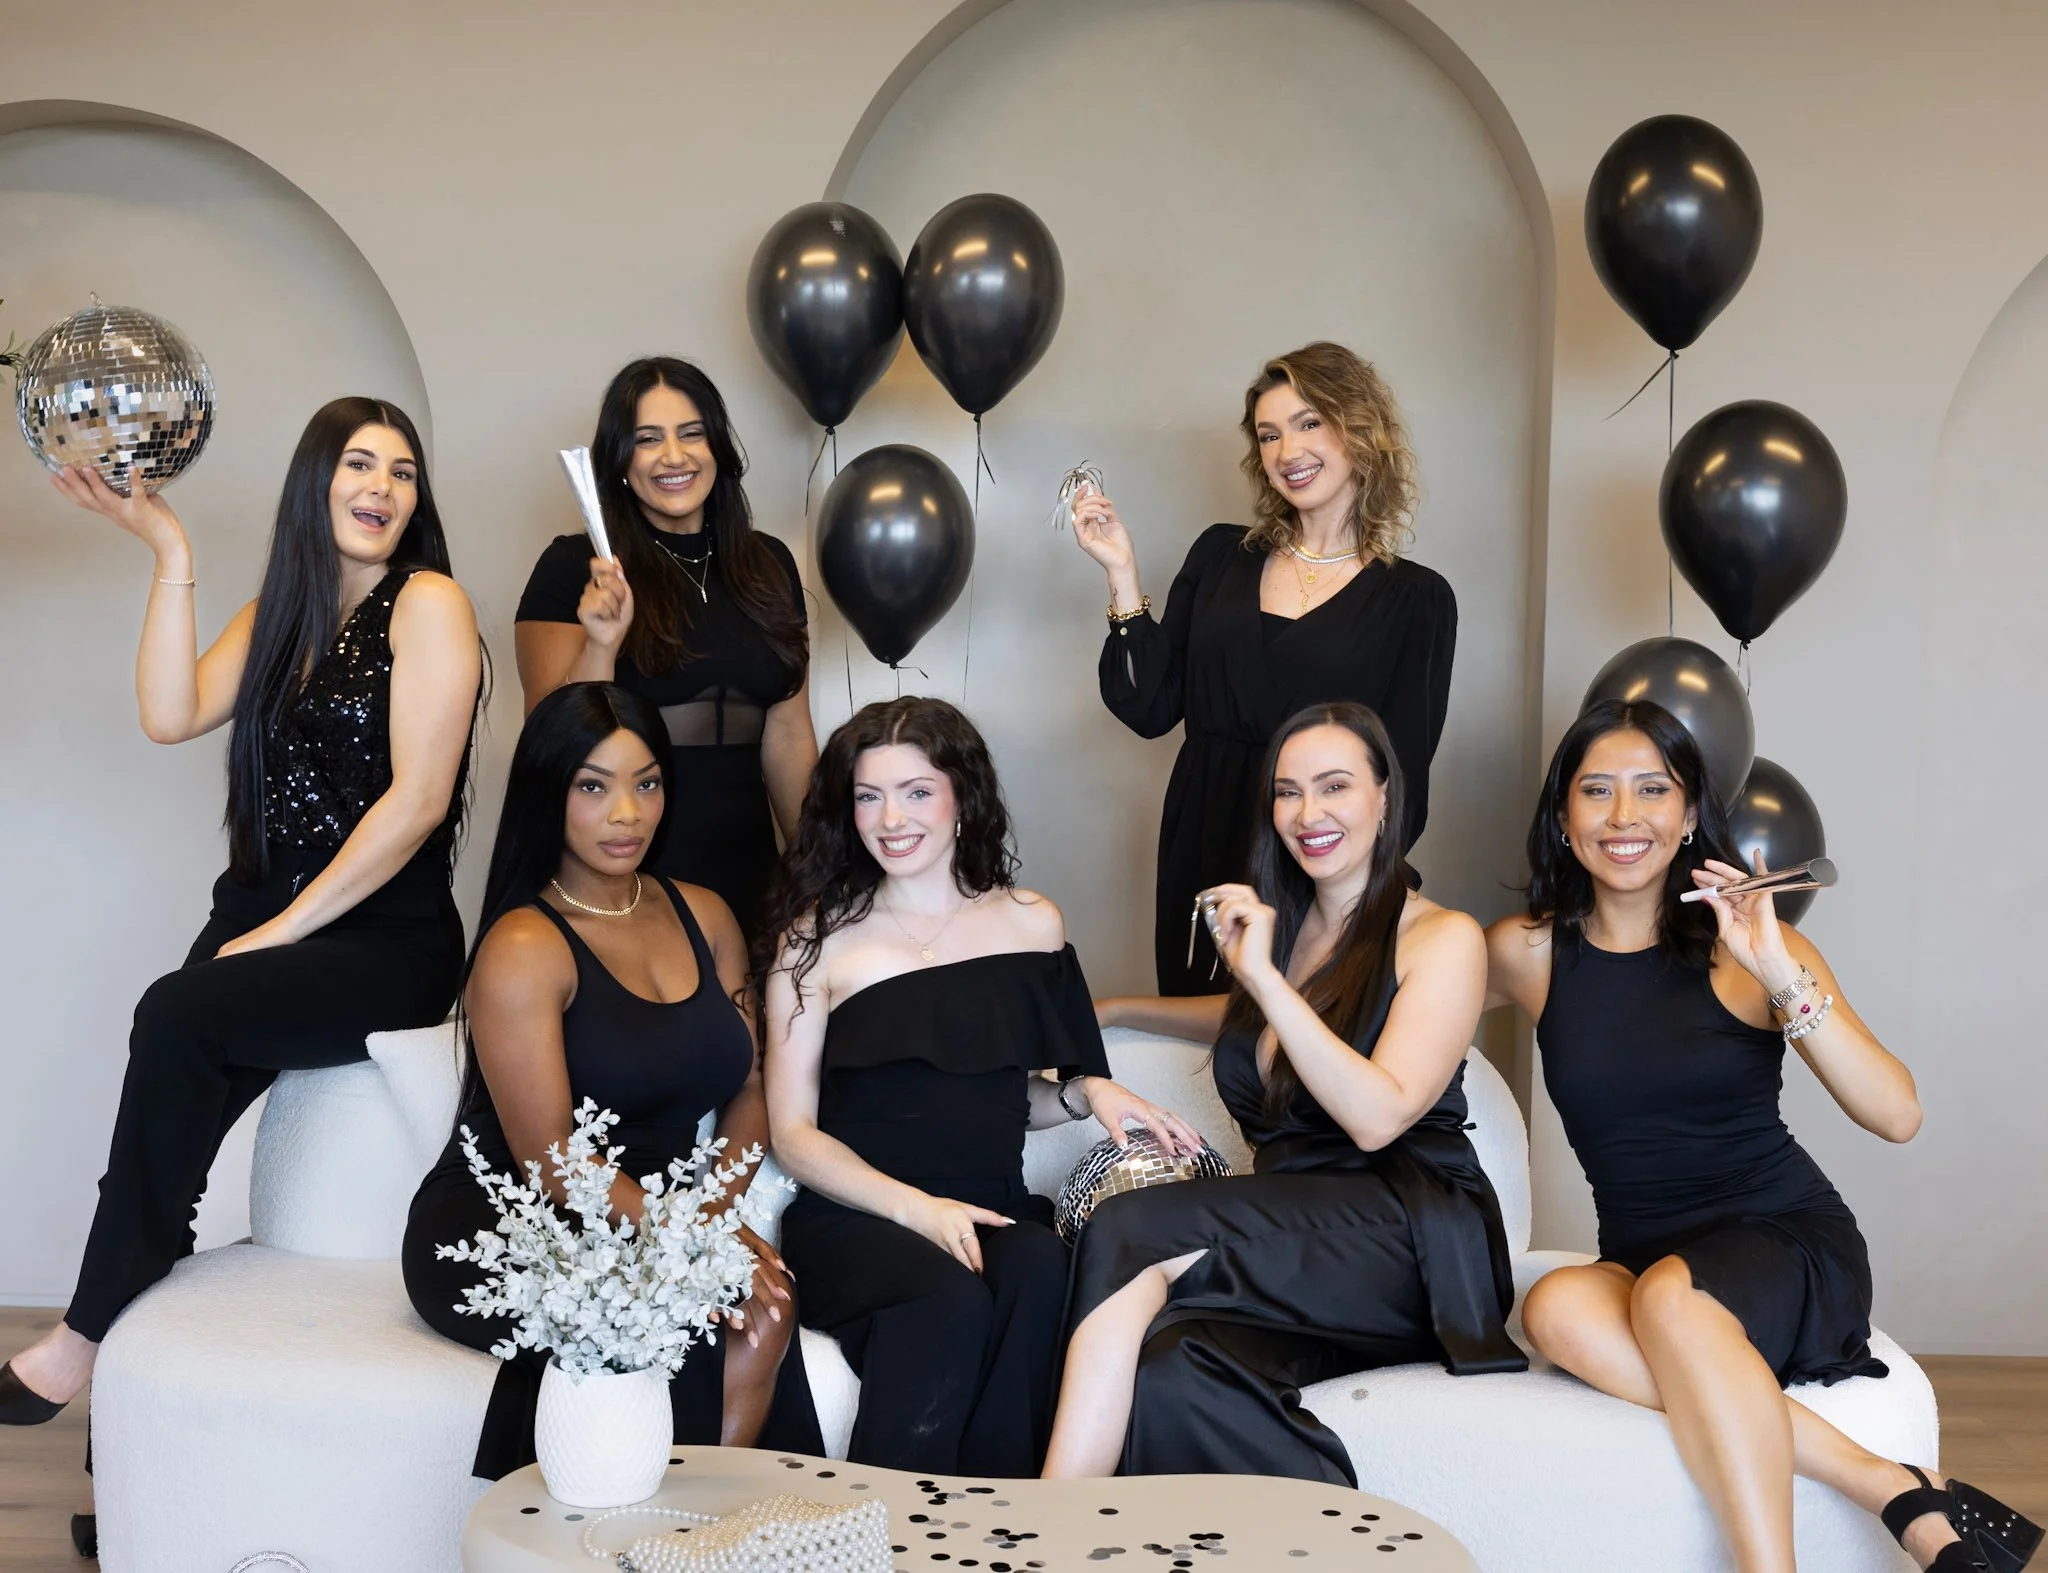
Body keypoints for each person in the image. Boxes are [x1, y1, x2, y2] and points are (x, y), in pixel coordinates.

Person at [2, 398, 482, 1431]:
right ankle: (127, 1447)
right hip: (265, 908)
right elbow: (168, 713)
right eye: (358, 464)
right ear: (315, 483)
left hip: (382, 937)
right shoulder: (282, 611)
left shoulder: (427, 602)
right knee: (158, 1146)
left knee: (175, 1013)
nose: (381, 488)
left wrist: (278, 933)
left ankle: (77, 1344)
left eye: (401, 472)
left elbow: (417, 803)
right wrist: (166, 546)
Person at [1486, 699, 2040, 1573]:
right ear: (1562, 817)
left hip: (1785, 1238)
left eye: (1652, 790)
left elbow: (1897, 1113)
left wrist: (1776, 966)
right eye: (1597, 790)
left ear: (1691, 814)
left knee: (1672, 1299)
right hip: (1643, 1256)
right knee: (1553, 1307)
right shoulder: (1526, 951)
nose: (1625, 816)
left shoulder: (1745, 951)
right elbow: (1397, 993)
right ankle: (1895, 1486)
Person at [1043, 701, 1524, 1484]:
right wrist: (1119, 1009)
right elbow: (1256, 1029)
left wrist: (1261, 975)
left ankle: (1046, 1528)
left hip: (1411, 1238)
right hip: (1298, 1238)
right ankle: (1347, 1546)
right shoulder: (1294, 932)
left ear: (1385, 797)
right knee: (1173, 1370)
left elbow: (1378, 1115)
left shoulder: (1444, 938)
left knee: (1128, 1227)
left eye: (1334, 786)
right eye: (1288, 791)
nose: (1309, 813)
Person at [760, 696, 1202, 1477]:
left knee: (1039, 1269)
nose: (890, 817)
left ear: (964, 796)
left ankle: (1005, 1531)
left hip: (991, 1205)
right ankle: (880, 1536)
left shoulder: (1032, 924)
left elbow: (993, 1097)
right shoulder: (815, 940)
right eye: (868, 795)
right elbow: (793, 1132)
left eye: (917, 791)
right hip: (860, 1214)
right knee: (951, 1297)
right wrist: (918, 1210)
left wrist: (1083, 1095)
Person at [402, 683, 818, 1475]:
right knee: (670, 1319)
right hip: (512, 1219)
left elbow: (750, 1084)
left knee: (766, 1311)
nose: (626, 811)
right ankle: (651, 1541)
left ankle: (689, 1539)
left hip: (657, 1209)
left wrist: (710, 1217)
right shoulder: (525, 944)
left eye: (647, 782)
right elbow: (551, 1159)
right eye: (593, 786)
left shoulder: (707, 915)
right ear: (549, 794)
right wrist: (689, 1239)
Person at [1074, 342, 1457, 996]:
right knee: (1200, 1045)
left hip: (1316, 854)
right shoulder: (1222, 555)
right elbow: (1149, 707)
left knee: (1296, 1051)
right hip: (1204, 837)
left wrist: (1344, 890)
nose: (1287, 451)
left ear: (1359, 432)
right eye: (1269, 435)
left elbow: (1404, 778)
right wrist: (1120, 571)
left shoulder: (1415, 599)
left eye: (1309, 423)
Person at [515, 356, 816, 939]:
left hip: (751, 869)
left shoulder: (769, 564)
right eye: (648, 439)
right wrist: (602, 642)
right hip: (628, 865)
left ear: (718, 450)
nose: (674, 457)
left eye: (692, 433)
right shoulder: (570, 567)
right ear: (621, 460)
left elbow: (789, 734)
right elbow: (548, 749)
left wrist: (819, 870)